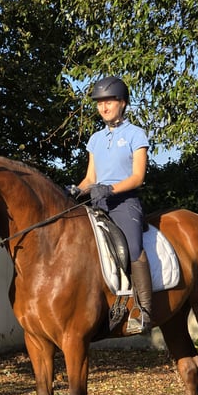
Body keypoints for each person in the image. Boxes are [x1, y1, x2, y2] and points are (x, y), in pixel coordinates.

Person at [72, 76, 153, 335]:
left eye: (109, 102)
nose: (103, 107)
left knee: (133, 247)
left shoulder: (135, 134)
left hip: (123, 202)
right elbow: (90, 178)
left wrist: (111, 188)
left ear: (123, 103)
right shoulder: (95, 139)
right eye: (99, 103)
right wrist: (75, 189)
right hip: (97, 201)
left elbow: (138, 176)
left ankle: (144, 310)